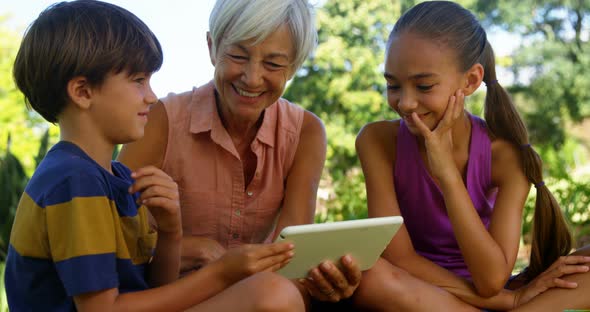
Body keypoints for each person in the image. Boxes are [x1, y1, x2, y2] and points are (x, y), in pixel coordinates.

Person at [4, 1, 305, 311]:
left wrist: (170, 231)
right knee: (271, 295)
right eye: (138, 81)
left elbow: (155, 290)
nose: (151, 96)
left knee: (270, 292)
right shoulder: (74, 181)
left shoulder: (115, 179)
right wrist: (222, 273)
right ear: (82, 92)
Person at [116, 0, 361, 308]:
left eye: (272, 64)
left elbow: (289, 255)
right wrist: (191, 248)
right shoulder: (159, 121)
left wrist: (323, 278)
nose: (252, 77)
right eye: (237, 56)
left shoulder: (306, 133)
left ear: (293, 66)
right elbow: (114, 240)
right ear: (212, 47)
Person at [351, 1, 590, 311]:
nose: (405, 102)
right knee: (371, 276)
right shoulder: (377, 140)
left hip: (484, 287)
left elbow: (491, 278)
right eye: (393, 84)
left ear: (470, 81)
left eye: (424, 86)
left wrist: (448, 176)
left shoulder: (505, 156)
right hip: (419, 288)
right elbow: (400, 257)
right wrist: (509, 300)